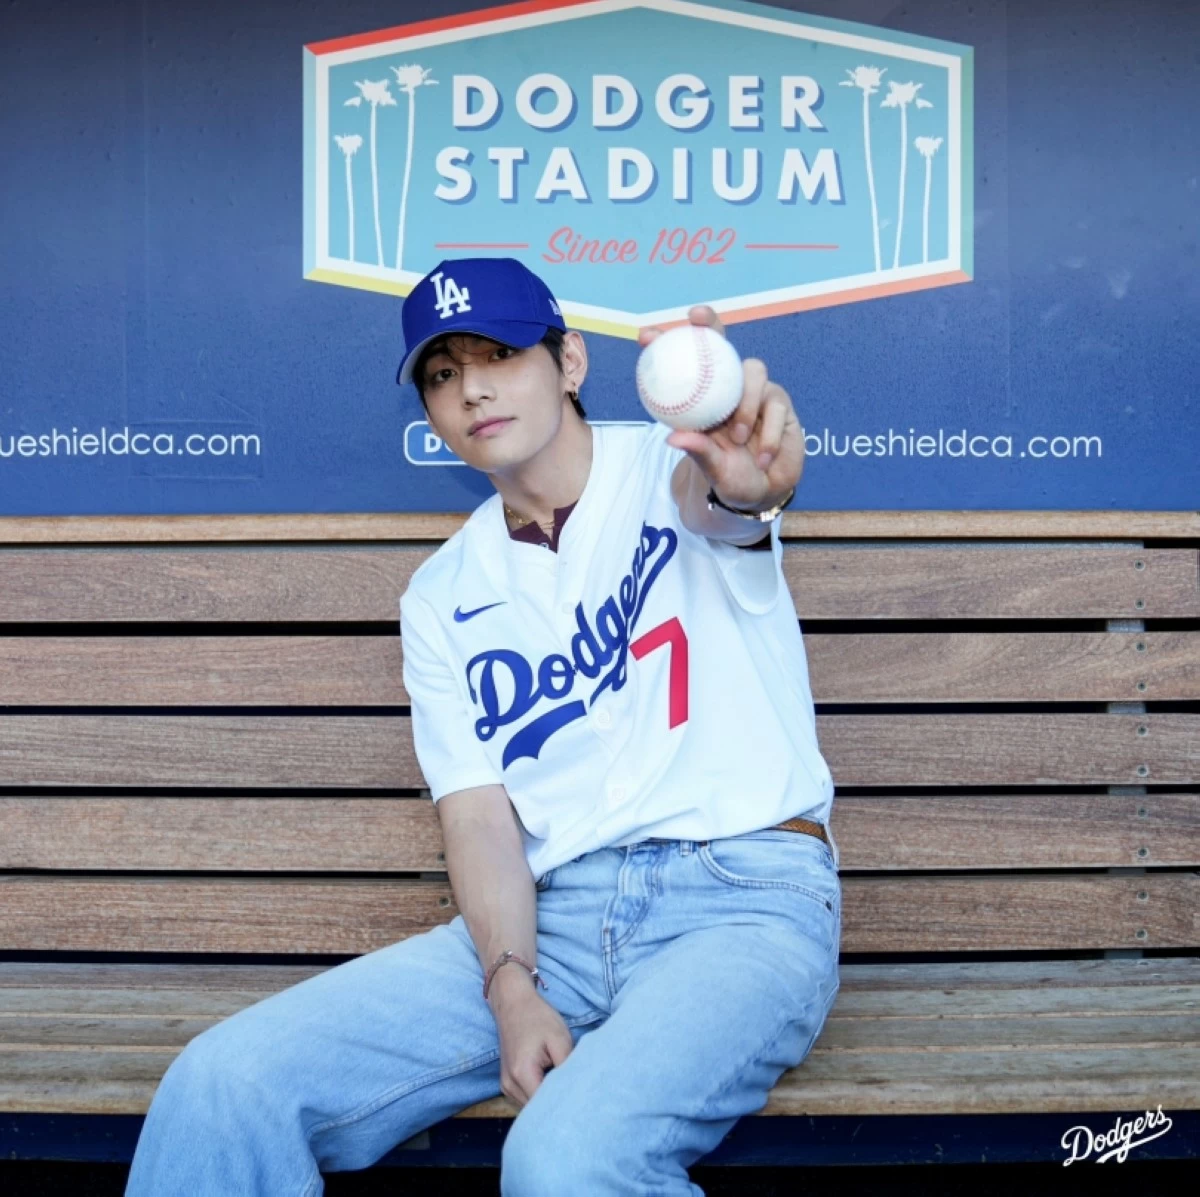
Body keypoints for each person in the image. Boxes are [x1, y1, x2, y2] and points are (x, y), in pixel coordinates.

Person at [124, 257, 840, 1197]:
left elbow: (729, 507)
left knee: (564, 1160)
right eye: (443, 372)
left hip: (742, 900)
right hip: (558, 918)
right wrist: (510, 986)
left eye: (499, 352)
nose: (473, 387)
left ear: (571, 360)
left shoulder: (676, 470)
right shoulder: (441, 595)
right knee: (225, 1085)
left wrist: (751, 489)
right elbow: (479, 817)